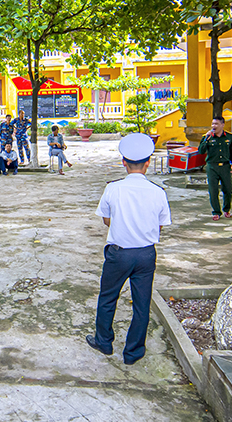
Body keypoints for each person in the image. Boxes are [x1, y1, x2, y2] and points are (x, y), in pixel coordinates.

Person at [86, 133, 170, 366]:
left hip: (119, 253)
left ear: (123, 162)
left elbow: (106, 220)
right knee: (142, 303)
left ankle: (104, 341)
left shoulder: (113, 189)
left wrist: (124, 225)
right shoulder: (158, 192)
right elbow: (160, 224)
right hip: (145, 254)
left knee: (108, 297)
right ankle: (133, 352)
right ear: (148, 162)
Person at [198, 116, 232, 221]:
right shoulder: (207, 137)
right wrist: (206, 139)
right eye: (212, 124)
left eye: (216, 124)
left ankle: (227, 209)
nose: (213, 126)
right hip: (212, 166)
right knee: (213, 190)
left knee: (228, 189)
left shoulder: (229, 137)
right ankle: (216, 211)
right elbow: (201, 151)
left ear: (222, 125)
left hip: (225, 166)